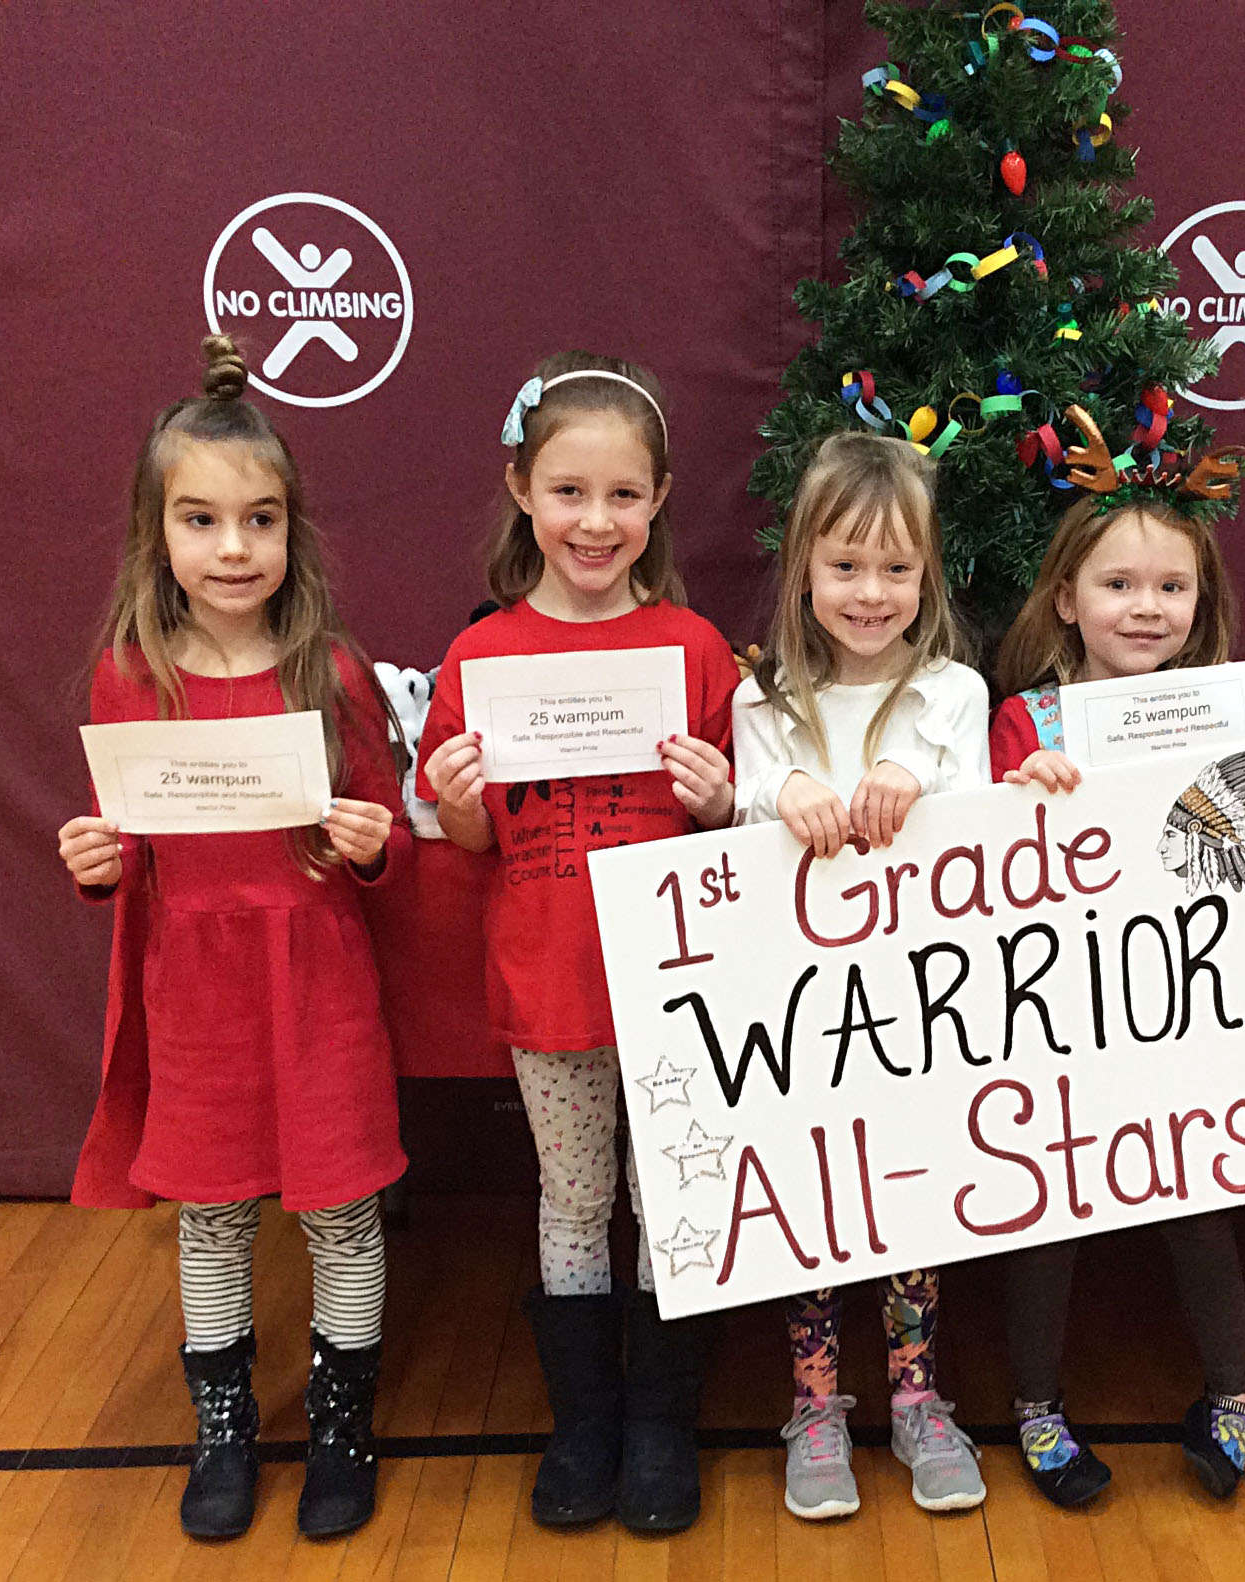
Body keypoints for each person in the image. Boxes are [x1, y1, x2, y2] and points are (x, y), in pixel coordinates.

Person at [58, 335, 409, 1542]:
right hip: (198, 989)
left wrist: (371, 840)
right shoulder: (128, 676)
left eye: (259, 519)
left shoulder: (333, 669)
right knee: (211, 1215)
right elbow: (127, 842)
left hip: (316, 984)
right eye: (201, 520)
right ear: (158, 533)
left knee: (340, 1212)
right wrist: (98, 865)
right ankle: (221, 1434)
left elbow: (390, 848)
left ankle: (340, 1430)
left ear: (291, 531)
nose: (232, 548)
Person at [416, 353, 738, 1534]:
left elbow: (735, 829)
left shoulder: (695, 648)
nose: (594, 521)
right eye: (567, 492)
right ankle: (585, 1422)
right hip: (547, 981)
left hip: (677, 984)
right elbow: (466, 840)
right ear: (520, 490)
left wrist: (716, 799)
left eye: (621, 495)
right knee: (571, 1197)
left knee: (670, 1203)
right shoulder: (481, 655)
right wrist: (454, 796)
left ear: (657, 502)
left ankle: (660, 1425)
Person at [987, 490, 1245, 1505]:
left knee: (1200, 1201)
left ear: (1201, 598)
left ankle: (1233, 1393)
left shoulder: (1236, 701)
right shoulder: (1023, 718)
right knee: (1049, 1210)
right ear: (1067, 599)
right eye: (1117, 584)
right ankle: (1036, 1405)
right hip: (1056, 1021)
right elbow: (976, 859)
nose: (1145, 607)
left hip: (1185, 1014)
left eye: (1172, 585)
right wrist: (1015, 786)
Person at [732, 432, 989, 1521]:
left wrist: (909, 775)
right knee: (815, 1205)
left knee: (912, 1205)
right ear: (802, 567)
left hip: (918, 1013)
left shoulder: (954, 695)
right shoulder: (765, 700)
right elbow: (736, 839)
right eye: (845, 566)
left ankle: (919, 1395)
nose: (871, 592)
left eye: (895, 567)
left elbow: (984, 839)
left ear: (927, 572)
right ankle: (818, 1403)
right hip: (800, 1020)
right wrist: (784, 793)